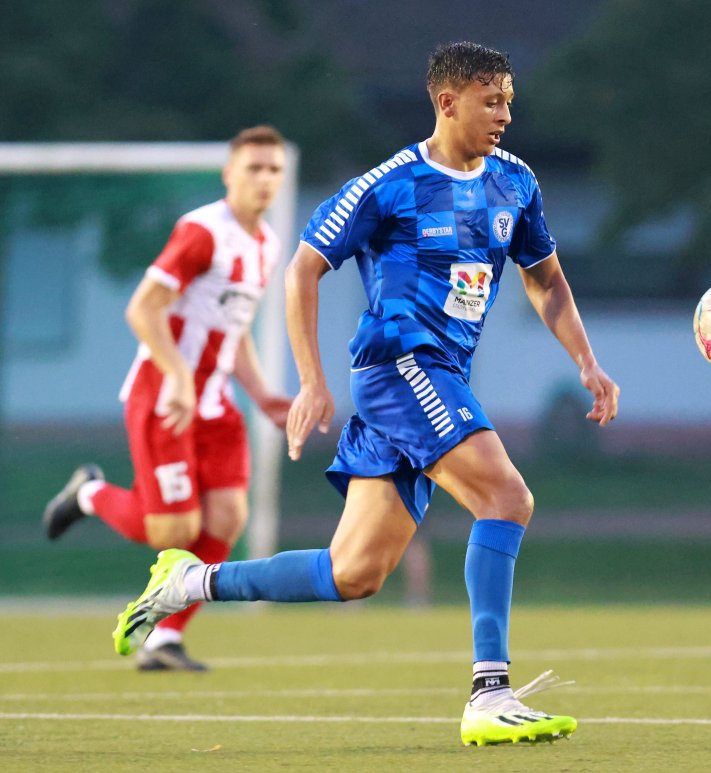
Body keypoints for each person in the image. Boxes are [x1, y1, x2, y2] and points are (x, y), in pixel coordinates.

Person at [111, 42, 619, 746]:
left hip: (436, 380)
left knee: (353, 573)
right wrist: (311, 381)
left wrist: (587, 361)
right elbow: (303, 269)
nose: (505, 114)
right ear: (447, 102)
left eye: (508, 100)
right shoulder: (389, 185)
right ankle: (490, 692)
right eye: (490, 100)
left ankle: (187, 583)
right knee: (507, 498)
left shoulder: (516, 183)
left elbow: (547, 279)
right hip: (400, 368)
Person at [43, 126, 292, 672]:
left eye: (273, 169)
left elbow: (236, 329)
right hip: (165, 396)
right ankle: (90, 493)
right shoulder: (203, 232)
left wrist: (264, 396)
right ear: (229, 174)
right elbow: (143, 309)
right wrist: (179, 376)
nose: (265, 179)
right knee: (171, 532)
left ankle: (163, 639)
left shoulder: (266, 245)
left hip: (216, 404)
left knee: (226, 518)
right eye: (254, 168)